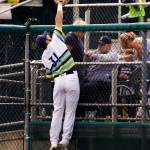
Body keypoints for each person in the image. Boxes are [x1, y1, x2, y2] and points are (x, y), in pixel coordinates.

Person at [36, 1, 80, 150]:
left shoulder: (43, 57)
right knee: (69, 112)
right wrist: (60, 4)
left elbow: (49, 75)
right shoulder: (56, 40)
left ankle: (53, 142)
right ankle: (64, 141)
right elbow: (58, 20)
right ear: (47, 40)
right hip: (71, 78)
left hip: (58, 81)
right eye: (46, 36)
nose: (48, 36)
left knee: (57, 112)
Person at [80, 36, 120, 117]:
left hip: (105, 82)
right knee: (79, 86)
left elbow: (108, 58)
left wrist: (94, 55)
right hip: (91, 80)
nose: (99, 46)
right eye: (99, 44)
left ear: (109, 45)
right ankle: (81, 113)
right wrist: (87, 53)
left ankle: (92, 111)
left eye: (102, 45)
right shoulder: (98, 52)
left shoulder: (113, 54)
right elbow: (88, 53)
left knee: (89, 87)